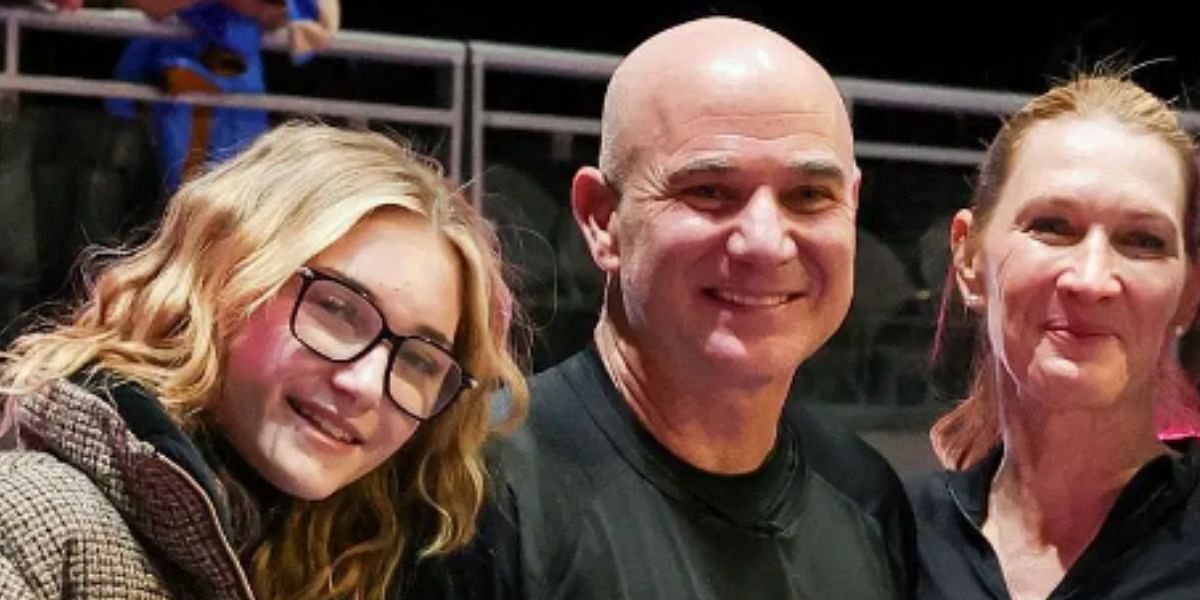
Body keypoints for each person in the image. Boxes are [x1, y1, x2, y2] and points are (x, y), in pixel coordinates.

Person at [437, 16, 915, 600]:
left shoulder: (866, 497)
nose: (765, 240)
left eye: (809, 195)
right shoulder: (470, 487)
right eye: (709, 191)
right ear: (602, 219)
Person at [0, 122, 526, 599]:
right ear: (219, 277)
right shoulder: (31, 522)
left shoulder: (359, 564)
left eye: (421, 360)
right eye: (338, 309)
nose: (366, 383)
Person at [908, 73, 1200, 599]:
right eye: (1051, 226)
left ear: (1188, 292)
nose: (1090, 280)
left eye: (1143, 240)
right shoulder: (891, 542)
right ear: (969, 257)